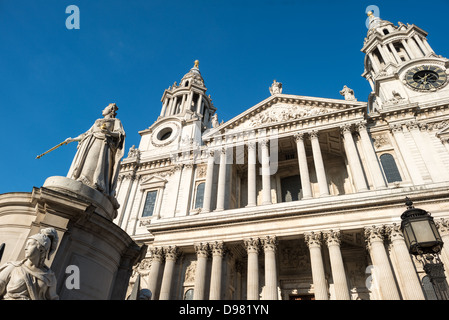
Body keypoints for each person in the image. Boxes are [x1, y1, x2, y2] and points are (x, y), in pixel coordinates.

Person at [66, 103, 125, 197]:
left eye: (105, 108)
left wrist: (109, 132)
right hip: (91, 142)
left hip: (103, 144)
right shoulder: (97, 121)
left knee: (96, 162)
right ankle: (82, 178)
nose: (102, 110)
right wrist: (72, 139)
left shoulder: (115, 121)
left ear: (111, 110)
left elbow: (120, 134)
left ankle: (96, 183)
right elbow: (86, 133)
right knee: (86, 162)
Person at [0, 228, 59, 300]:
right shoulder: (13, 267)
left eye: (30, 244)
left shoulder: (49, 276)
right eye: (26, 244)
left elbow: (53, 298)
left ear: (41, 250)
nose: (25, 248)